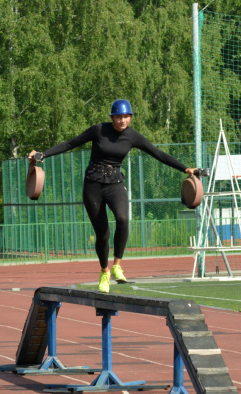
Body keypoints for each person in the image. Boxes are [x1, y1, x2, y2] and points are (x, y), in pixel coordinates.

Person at [28, 99, 198, 293]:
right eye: (118, 117)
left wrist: (185, 168)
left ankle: (117, 264)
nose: (122, 120)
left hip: (115, 183)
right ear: (112, 117)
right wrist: (43, 154)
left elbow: (158, 154)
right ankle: (104, 271)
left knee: (123, 219)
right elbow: (69, 144)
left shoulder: (133, 136)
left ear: (131, 117)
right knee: (103, 234)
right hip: (93, 184)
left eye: (126, 116)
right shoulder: (98, 130)